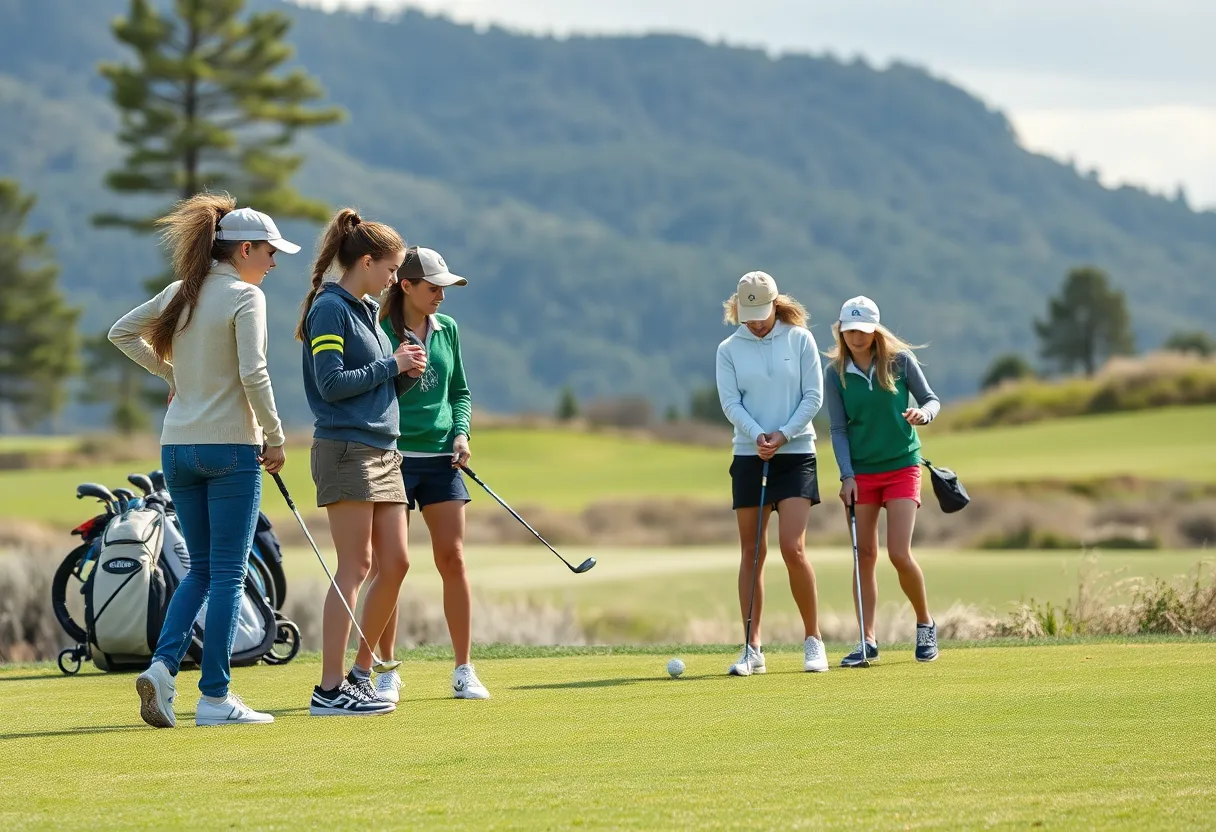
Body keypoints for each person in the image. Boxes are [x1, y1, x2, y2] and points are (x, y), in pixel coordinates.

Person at [113, 193, 298, 728]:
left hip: (178, 449)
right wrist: (276, 437)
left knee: (201, 571)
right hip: (230, 449)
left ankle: (164, 668)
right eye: (269, 251)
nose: (274, 261)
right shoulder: (245, 296)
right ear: (244, 250)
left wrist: (174, 376)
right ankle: (215, 697)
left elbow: (121, 332)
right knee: (228, 576)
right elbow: (254, 374)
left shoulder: (182, 292)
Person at [297, 208, 427, 716]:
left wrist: (405, 373)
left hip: (383, 449)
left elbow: (373, 387)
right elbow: (331, 385)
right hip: (346, 448)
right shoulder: (330, 309)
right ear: (367, 261)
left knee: (394, 563)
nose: (396, 280)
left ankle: (360, 674)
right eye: (392, 270)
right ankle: (329, 690)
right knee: (354, 566)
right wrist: (389, 363)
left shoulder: (367, 311)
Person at [361, 245, 489, 702]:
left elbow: (460, 392)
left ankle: (463, 668)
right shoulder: (376, 328)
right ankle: (386, 671)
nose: (441, 296)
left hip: (441, 460)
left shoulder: (447, 330)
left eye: (444, 288)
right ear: (405, 285)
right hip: (391, 459)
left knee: (452, 558)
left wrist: (461, 434)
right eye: (433, 287)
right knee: (388, 567)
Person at [715, 271, 829, 676]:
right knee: (752, 552)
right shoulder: (729, 349)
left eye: (761, 314)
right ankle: (752, 648)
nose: (755, 322)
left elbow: (813, 396)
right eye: (748, 315)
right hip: (750, 454)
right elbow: (730, 403)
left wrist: (782, 435)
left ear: (775, 306)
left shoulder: (799, 340)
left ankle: (813, 641)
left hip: (796, 452)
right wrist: (758, 435)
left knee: (792, 548)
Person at [823, 295, 941, 665]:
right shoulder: (836, 372)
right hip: (861, 473)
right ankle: (867, 640)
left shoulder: (900, 362)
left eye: (862, 330)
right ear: (841, 330)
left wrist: (923, 414)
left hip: (902, 465)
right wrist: (846, 476)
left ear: (875, 330)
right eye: (850, 330)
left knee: (899, 552)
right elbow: (838, 430)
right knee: (864, 556)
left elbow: (932, 399)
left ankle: (925, 624)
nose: (856, 337)